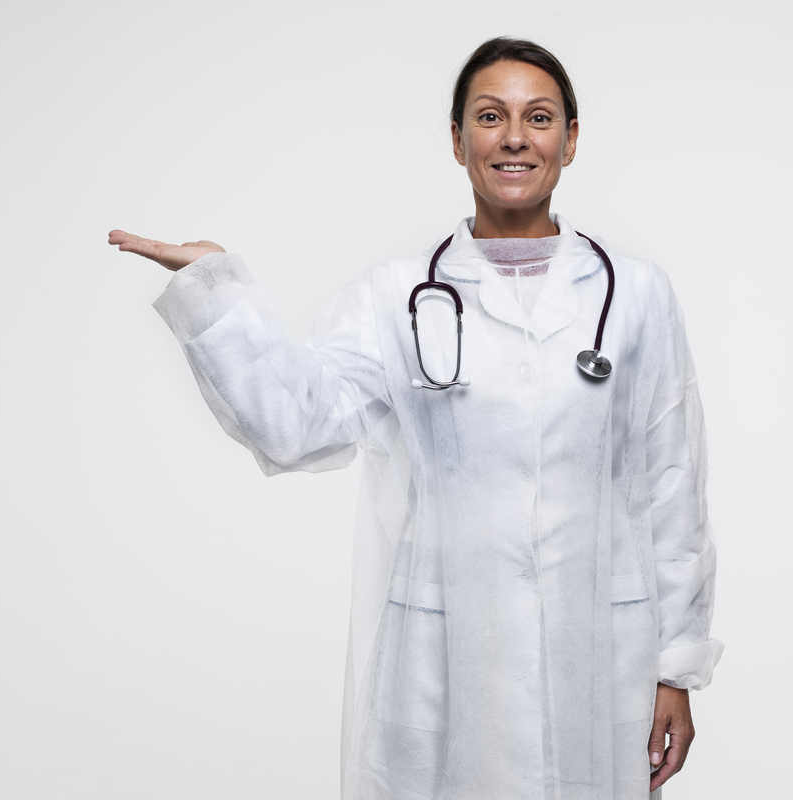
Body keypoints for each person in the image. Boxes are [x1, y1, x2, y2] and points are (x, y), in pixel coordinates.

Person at [108, 37, 722, 800]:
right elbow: (296, 425)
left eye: (538, 117)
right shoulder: (396, 297)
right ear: (458, 140)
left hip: (602, 649)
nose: (514, 137)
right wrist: (215, 287)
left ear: (570, 139)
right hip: (444, 651)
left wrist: (676, 668)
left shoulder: (635, 295)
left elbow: (672, 487)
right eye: (490, 116)